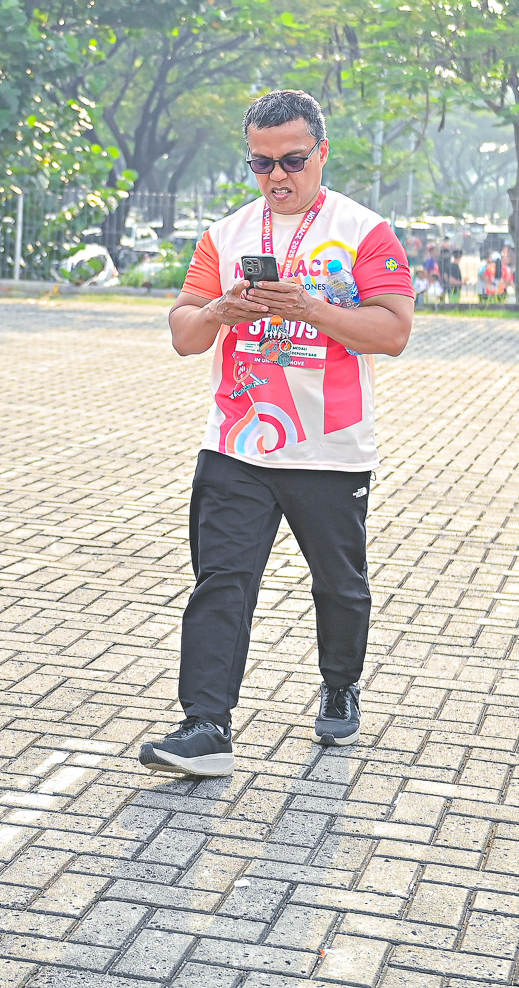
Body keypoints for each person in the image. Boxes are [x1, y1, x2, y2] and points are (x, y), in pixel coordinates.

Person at [145, 89, 414, 777]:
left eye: (292, 160)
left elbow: (393, 331)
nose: (278, 178)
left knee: (340, 585)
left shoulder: (365, 232)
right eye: (261, 164)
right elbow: (183, 333)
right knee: (222, 582)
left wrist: (312, 309)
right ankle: (206, 725)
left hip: (330, 446)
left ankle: (340, 682)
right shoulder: (225, 235)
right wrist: (220, 312)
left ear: (321, 153)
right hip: (237, 441)